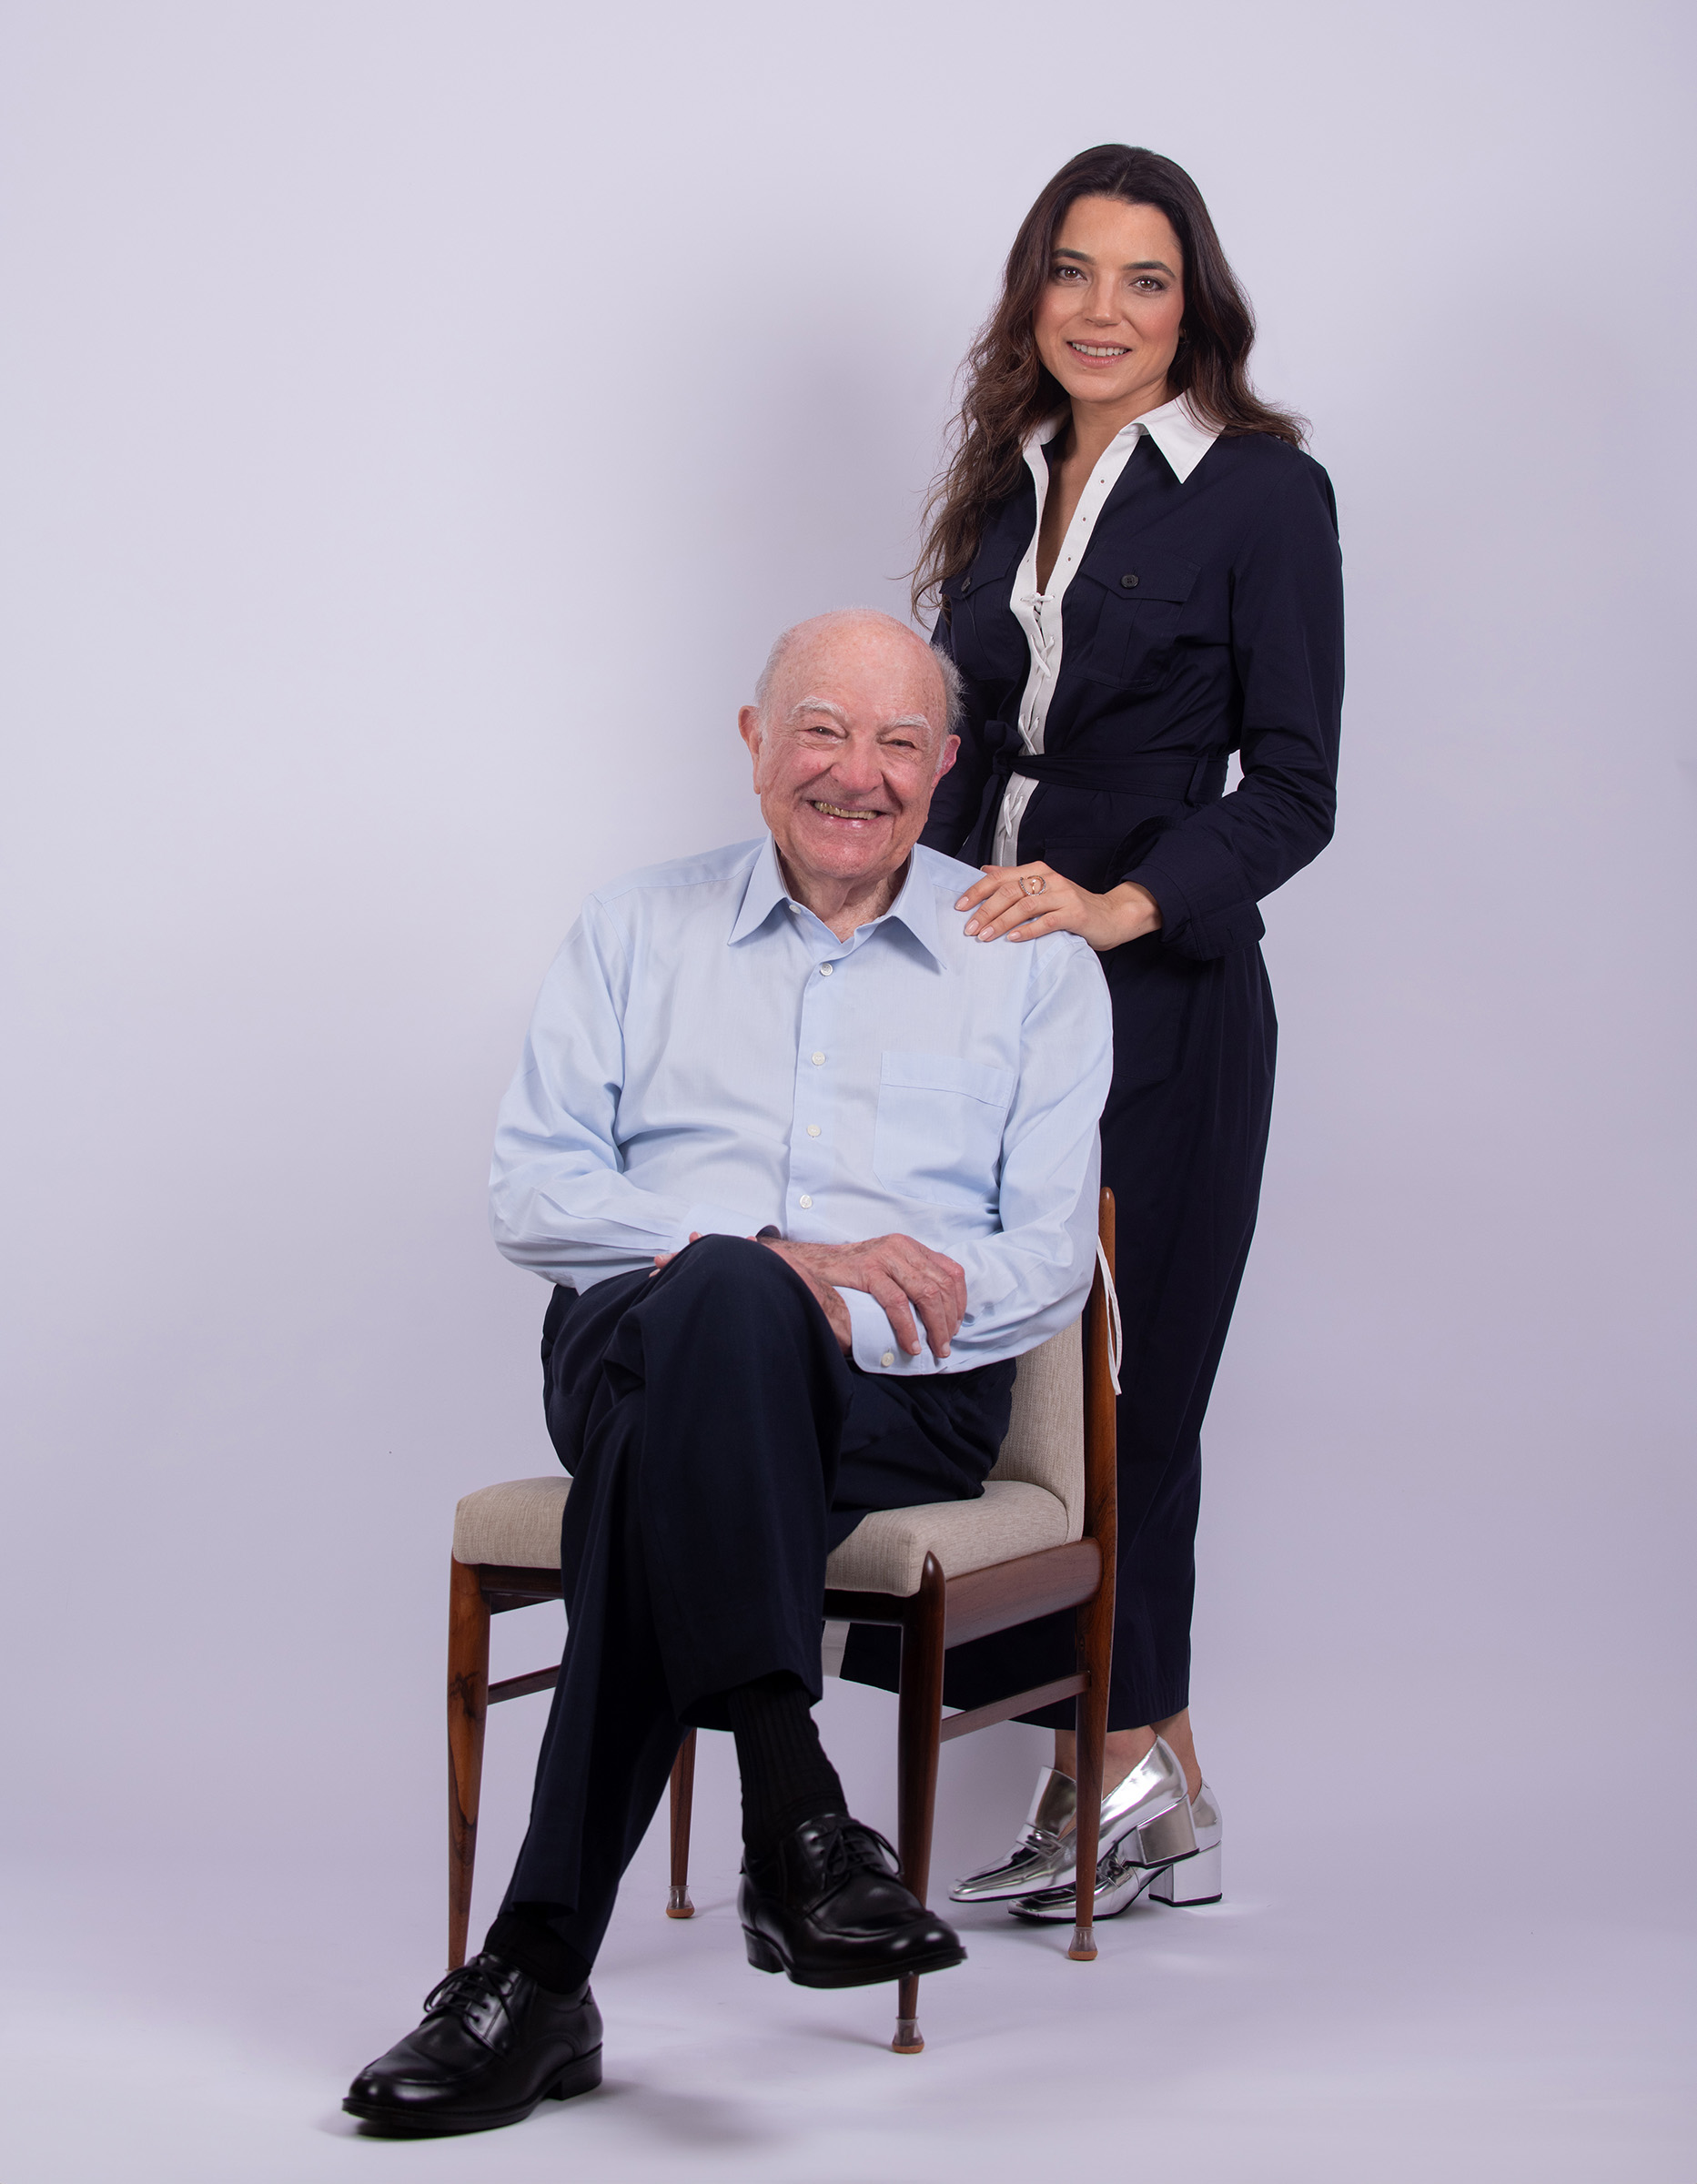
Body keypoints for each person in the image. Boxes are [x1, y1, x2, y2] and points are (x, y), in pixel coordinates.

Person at [343, 610, 1115, 2136]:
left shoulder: (1024, 965)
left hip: (904, 1390)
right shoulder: (634, 928)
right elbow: (535, 1196)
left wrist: (833, 1311)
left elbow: (1040, 1258)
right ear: (755, 745)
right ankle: (797, 1817)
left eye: (900, 743)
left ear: (946, 766)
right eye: (821, 731)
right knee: (720, 1302)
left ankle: (534, 1977)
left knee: (689, 1404)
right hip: (633, 1336)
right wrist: (777, 1262)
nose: (859, 774)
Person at [888, 144, 1344, 1922]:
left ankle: (1146, 1767)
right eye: (1071, 273)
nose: (1101, 310)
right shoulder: (1005, 484)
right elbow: (957, 743)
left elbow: (1295, 790)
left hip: (1163, 1009)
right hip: (983, 1006)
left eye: (1141, 279)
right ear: (1032, 293)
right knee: (1009, 1383)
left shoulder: (1260, 494)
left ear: (1194, 303)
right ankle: (1103, 1774)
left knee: (1136, 1390)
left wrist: (1117, 902)